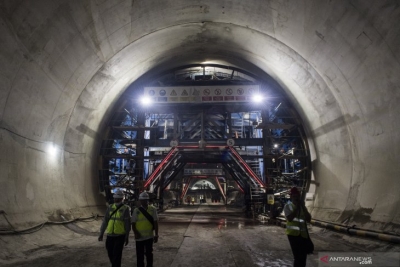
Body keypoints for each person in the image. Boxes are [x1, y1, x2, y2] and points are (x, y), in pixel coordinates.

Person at [98, 189, 131, 267]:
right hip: (110, 235)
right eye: (115, 198)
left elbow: (127, 224)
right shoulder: (110, 207)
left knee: (117, 254)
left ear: (121, 198)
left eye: (117, 198)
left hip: (120, 236)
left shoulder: (125, 208)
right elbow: (105, 221)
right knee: (110, 252)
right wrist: (101, 233)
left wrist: (127, 236)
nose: (115, 199)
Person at [283, 187, 312, 267]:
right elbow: (290, 218)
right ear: (291, 197)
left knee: (303, 257)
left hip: (303, 235)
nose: (296, 198)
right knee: (298, 257)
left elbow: (308, 219)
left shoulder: (303, 207)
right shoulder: (288, 206)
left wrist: (303, 207)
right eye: (294, 196)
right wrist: (297, 208)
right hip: (293, 235)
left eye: (297, 196)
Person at [131, 192, 159, 267]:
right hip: (139, 237)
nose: (144, 202)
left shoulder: (153, 209)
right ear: (140, 201)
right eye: (142, 200)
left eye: (146, 200)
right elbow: (133, 224)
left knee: (149, 254)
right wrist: (135, 233)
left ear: (148, 200)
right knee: (140, 255)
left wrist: (156, 234)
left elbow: (155, 222)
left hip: (149, 237)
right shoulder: (136, 211)